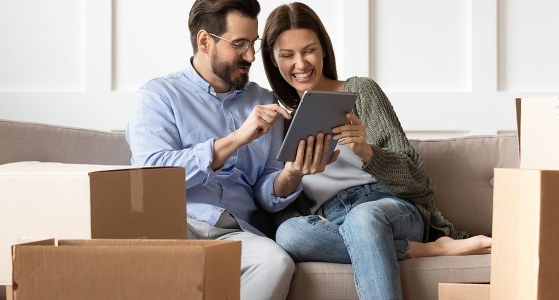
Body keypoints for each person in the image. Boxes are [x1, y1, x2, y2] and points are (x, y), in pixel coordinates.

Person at [261, 3, 492, 300]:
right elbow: (282, 206)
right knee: (289, 234)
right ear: (273, 59)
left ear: (324, 51)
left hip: (389, 207)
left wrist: (366, 150)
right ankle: (432, 250)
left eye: (309, 50)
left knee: (364, 217)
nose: (301, 64)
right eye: (287, 55)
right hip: (331, 218)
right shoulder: (278, 121)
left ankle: (408, 241)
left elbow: (417, 179)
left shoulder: (360, 91)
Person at [126, 1, 335, 299]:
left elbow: (266, 191)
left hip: (235, 231)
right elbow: (150, 176)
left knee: (275, 262)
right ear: (204, 41)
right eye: (239, 44)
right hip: (172, 224)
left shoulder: (264, 101)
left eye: (253, 43)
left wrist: (290, 173)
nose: (250, 55)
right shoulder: (158, 96)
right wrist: (236, 139)